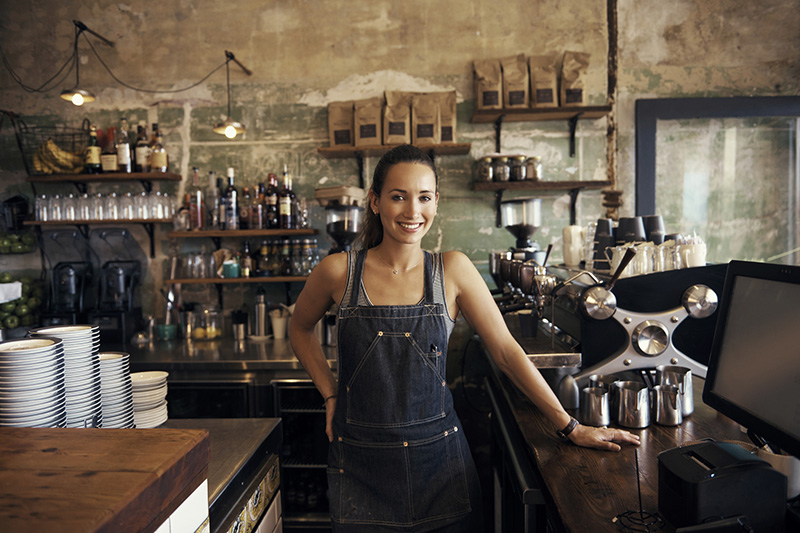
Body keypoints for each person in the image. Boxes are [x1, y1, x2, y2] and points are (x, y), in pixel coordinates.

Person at [289, 144, 640, 532]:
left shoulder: (453, 269)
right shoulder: (338, 271)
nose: (411, 211)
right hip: (359, 465)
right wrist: (331, 394)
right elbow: (299, 328)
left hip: (440, 469)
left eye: (423, 197)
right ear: (375, 201)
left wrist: (569, 426)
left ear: (436, 203)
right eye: (397, 197)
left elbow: (506, 351)